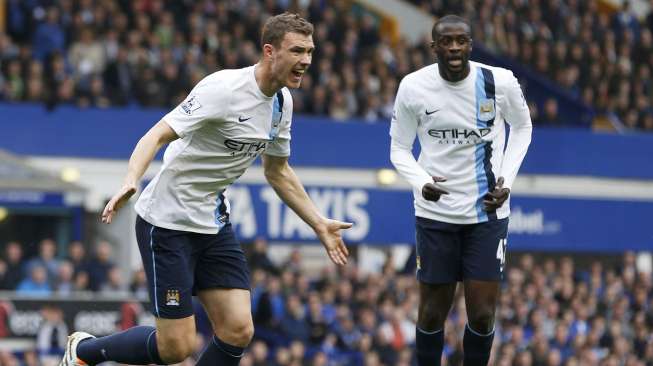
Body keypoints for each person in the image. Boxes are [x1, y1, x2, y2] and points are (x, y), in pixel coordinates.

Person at [60, 13, 351, 366]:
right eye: (297, 51)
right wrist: (131, 180)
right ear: (270, 51)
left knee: (238, 329)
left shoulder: (281, 104)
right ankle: (83, 351)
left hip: (212, 223)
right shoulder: (224, 90)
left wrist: (317, 222)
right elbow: (156, 134)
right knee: (176, 348)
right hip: (166, 223)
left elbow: (278, 170)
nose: (306, 60)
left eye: (310, 51)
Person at [389, 15, 532, 366]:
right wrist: (421, 181)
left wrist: (507, 182)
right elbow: (399, 149)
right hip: (436, 215)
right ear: (434, 46)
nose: (454, 47)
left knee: (482, 314)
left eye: (461, 41)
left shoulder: (499, 82)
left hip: (487, 213)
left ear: (471, 44)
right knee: (432, 314)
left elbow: (523, 127)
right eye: (446, 41)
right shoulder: (413, 86)